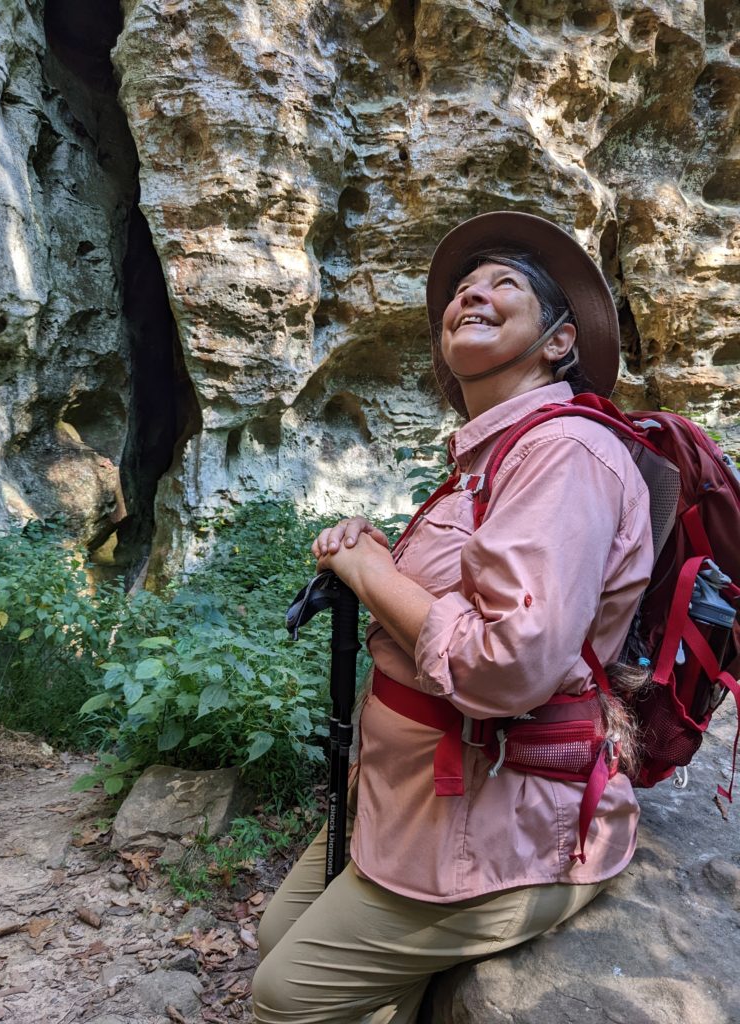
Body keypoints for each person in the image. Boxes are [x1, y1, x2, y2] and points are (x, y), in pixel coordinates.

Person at [251, 211, 654, 1024]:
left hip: (499, 817)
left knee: (284, 996)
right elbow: (447, 596)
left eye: (507, 284)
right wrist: (374, 551)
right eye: (465, 287)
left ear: (558, 344)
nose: (473, 291)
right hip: (413, 797)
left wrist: (367, 572)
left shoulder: (565, 453)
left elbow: (506, 662)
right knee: (274, 933)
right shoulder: (485, 460)